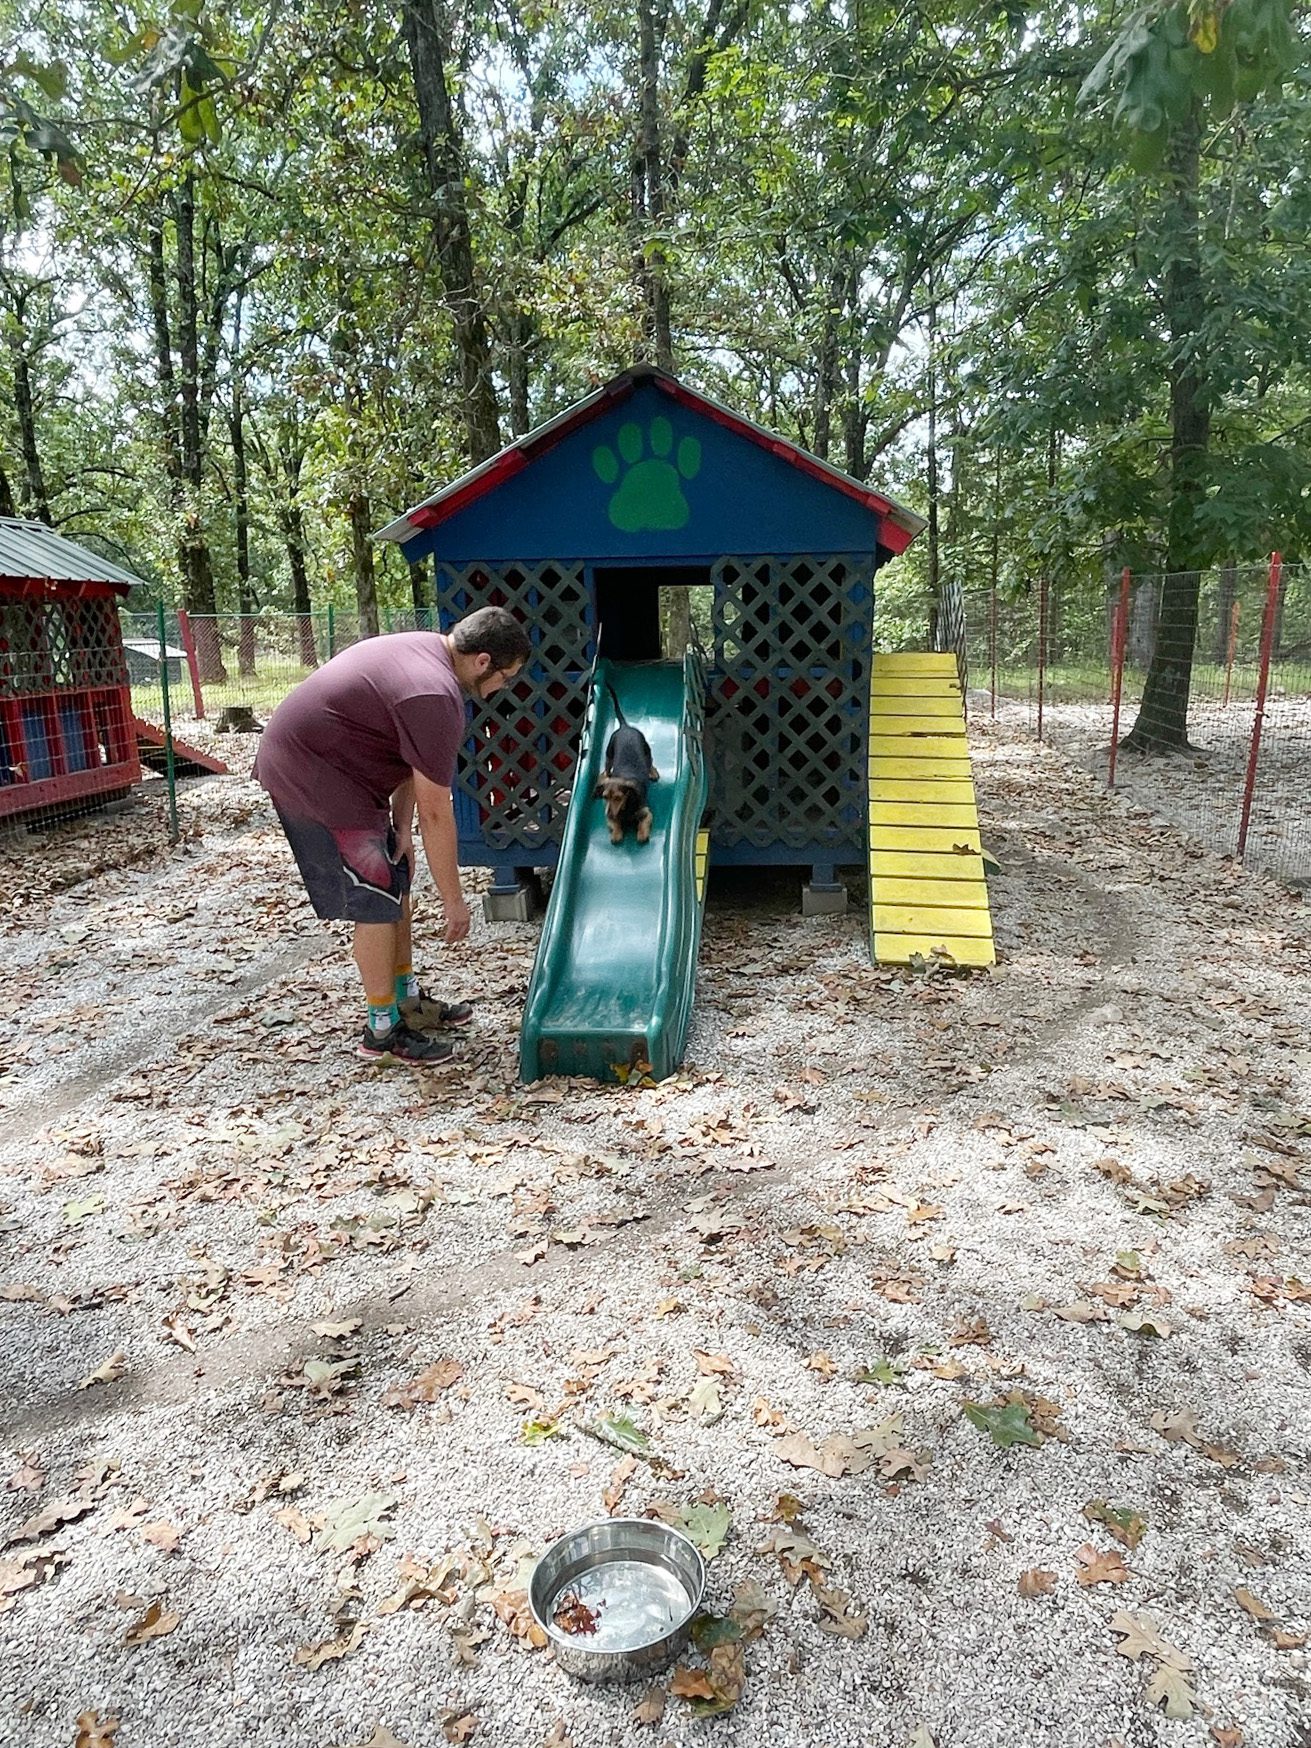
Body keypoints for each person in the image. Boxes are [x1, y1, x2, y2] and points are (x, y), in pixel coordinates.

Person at [254, 605, 531, 1064]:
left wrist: (401, 829)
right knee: (375, 894)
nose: (503, 686)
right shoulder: (435, 693)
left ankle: (406, 1000)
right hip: (311, 771)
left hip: (344, 770)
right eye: (506, 675)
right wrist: (453, 899)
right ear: (483, 661)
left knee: (395, 871)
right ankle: (381, 1031)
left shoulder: (429, 658)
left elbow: (409, 760)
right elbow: (438, 813)